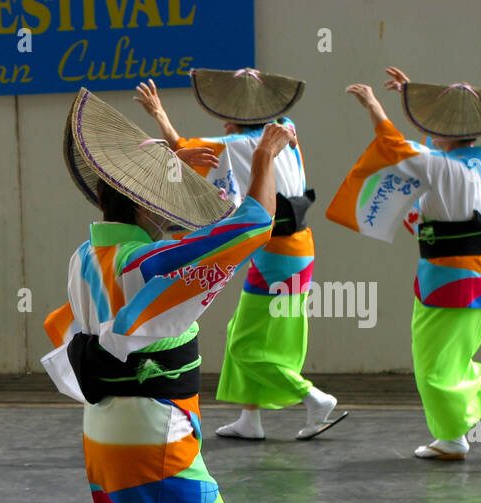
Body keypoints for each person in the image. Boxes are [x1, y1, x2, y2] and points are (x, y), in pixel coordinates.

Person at [43, 89, 293, 503]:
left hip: (107, 435)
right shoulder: (145, 263)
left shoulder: (86, 257)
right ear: (149, 207)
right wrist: (264, 158)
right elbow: (246, 228)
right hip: (153, 436)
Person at [135, 70, 346, 441]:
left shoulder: (245, 143)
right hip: (288, 250)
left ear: (231, 118)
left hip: (279, 253)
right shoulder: (285, 129)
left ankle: (313, 398)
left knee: (246, 346)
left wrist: (158, 112)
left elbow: (187, 148)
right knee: (243, 331)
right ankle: (251, 419)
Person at [327, 68, 481, 459]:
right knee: (453, 356)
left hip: (449, 278)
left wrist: (374, 105)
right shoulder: (477, 166)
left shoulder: (440, 166)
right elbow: (422, 152)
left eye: (435, 124)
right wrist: (409, 98)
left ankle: (454, 437)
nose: (430, 130)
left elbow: (396, 148)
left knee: (432, 365)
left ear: (449, 133)